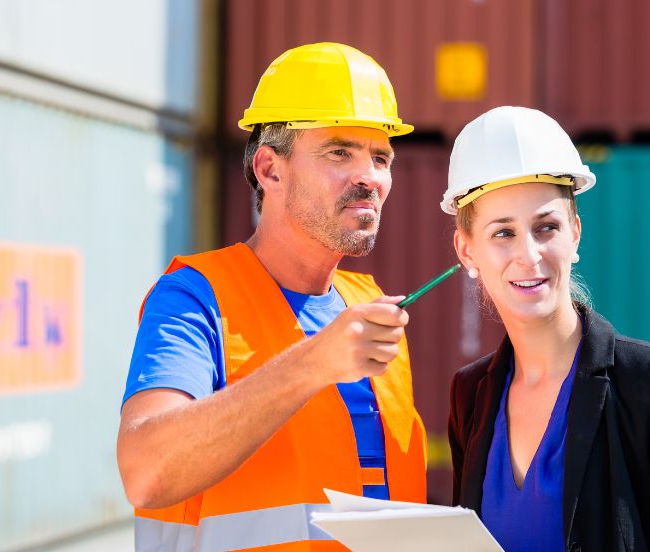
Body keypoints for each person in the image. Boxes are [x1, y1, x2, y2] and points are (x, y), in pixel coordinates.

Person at [116, 42, 427, 552]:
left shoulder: (370, 307)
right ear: (269, 169)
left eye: (380, 157)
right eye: (339, 152)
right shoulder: (195, 299)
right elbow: (146, 472)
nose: (369, 176)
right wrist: (312, 363)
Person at [444, 106, 650, 551]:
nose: (529, 255)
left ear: (575, 234)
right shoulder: (471, 395)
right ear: (466, 250)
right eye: (503, 233)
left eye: (546, 227)